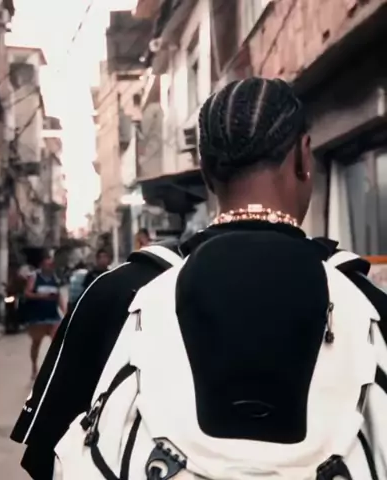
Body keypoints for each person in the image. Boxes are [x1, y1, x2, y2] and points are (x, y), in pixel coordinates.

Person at [51, 78, 387, 479]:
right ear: (303, 157)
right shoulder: (366, 301)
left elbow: (57, 456)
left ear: (205, 170)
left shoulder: (114, 295)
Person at [11, 242, 181, 479]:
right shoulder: (101, 281)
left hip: (52, 316)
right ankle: (33, 366)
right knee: (38, 345)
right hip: (40, 315)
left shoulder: (118, 282)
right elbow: (66, 367)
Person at [24, 253, 65, 380]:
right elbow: (27, 293)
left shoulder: (55, 278)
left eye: (51, 264)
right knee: (36, 343)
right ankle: (34, 367)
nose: (50, 267)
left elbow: (59, 296)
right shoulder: (34, 277)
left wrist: (65, 312)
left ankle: (54, 369)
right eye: (47, 264)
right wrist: (43, 296)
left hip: (53, 316)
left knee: (57, 342)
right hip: (37, 317)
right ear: (42, 264)